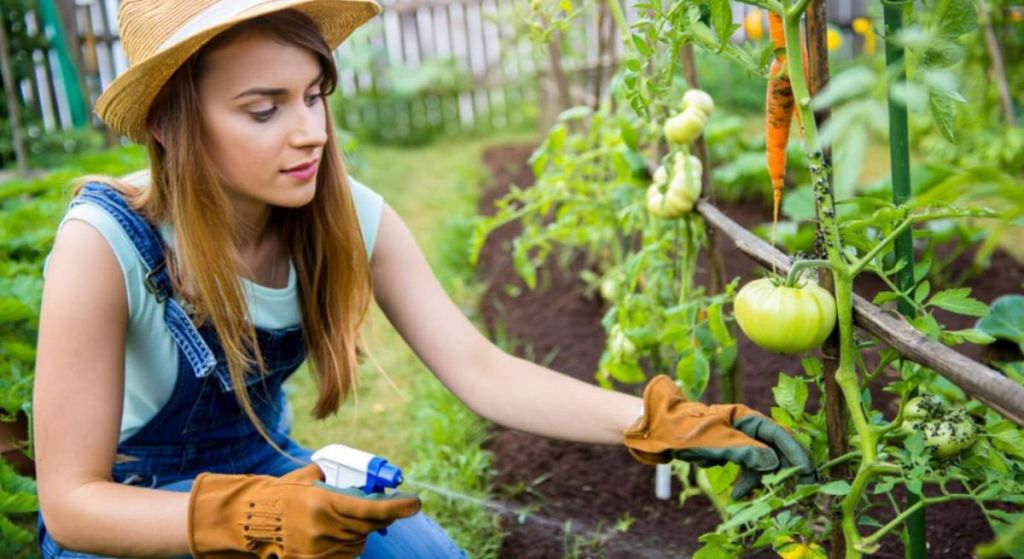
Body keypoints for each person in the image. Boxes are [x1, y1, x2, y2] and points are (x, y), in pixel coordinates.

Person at [32, 1, 814, 557]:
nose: (309, 132)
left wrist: (660, 421)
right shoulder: (106, 246)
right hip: (131, 518)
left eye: (312, 97)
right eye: (263, 109)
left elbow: (482, 372)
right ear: (172, 124)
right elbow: (71, 505)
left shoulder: (344, 217)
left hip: (266, 471)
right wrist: (252, 516)